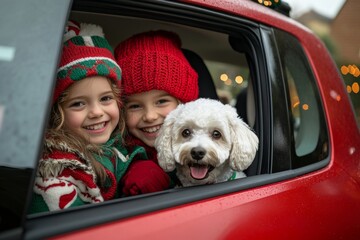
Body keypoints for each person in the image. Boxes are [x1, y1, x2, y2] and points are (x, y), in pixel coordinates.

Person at [29, 21, 146, 213]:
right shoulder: (59, 174)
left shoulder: (118, 146)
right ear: (56, 114)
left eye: (106, 98)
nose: (97, 112)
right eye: (78, 104)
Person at [114, 30, 199, 196]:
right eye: (134, 106)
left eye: (161, 101)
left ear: (183, 103)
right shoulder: (122, 159)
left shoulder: (203, 147)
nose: (150, 116)